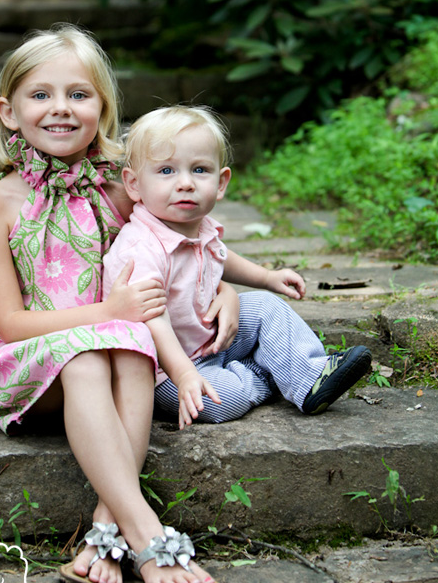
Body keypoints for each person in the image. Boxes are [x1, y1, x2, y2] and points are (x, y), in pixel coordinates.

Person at [0, 26, 221, 583]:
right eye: (40, 95)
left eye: (79, 94)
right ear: (9, 111)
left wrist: (228, 290)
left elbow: (189, 242)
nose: (60, 109)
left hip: (109, 342)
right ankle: (144, 530)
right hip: (14, 351)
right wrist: (110, 308)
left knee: (132, 348)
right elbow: (11, 324)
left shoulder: (124, 183)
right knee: (90, 356)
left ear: (103, 108)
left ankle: (102, 531)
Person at [103, 106, 372, 430]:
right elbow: (153, 319)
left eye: (200, 170)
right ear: (133, 184)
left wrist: (266, 278)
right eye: (166, 171)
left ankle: (311, 375)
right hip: (168, 370)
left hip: (211, 338)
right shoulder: (141, 247)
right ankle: (267, 374)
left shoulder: (196, 225)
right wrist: (185, 374)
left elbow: (220, 256)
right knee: (221, 401)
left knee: (266, 307)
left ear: (221, 182)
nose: (186, 183)